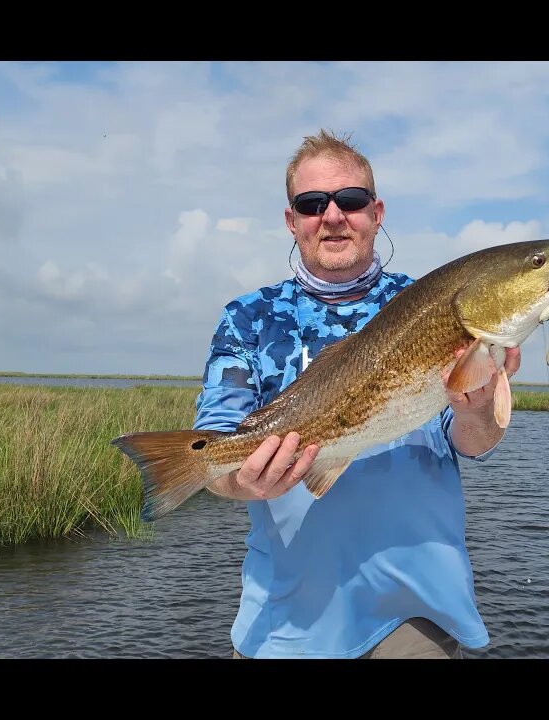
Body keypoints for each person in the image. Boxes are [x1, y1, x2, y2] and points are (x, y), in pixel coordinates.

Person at [193, 129, 520, 659]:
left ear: (377, 211)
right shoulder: (248, 319)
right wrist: (242, 481)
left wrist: (479, 408)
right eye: (311, 203)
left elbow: (473, 442)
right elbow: (213, 453)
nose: (333, 215)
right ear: (291, 219)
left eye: (351, 200)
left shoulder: (429, 303)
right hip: (285, 623)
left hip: (417, 615)